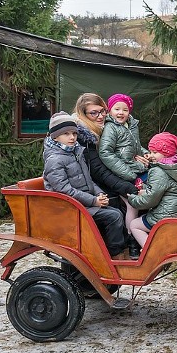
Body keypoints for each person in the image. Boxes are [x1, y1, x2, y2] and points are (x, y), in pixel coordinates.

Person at [42, 112, 126, 257]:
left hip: (82, 203)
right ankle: (113, 255)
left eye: (74, 133)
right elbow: (64, 190)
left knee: (116, 207)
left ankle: (109, 250)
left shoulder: (74, 152)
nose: (72, 137)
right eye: (66, 134)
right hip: (69, 208)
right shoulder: (54, 159)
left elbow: (89, 180)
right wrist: (93, 200)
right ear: (55, 136)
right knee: (114, 216)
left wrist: (99, 194)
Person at [72, 93, 140, 257]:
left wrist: (135, 158)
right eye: (94, 113)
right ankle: (124, 247)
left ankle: (137, 240)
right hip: (92, 185)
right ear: (83, 114)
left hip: (108, 177)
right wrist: (124, 184)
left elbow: (119, 152)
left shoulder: (105, 129)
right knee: (131, 199)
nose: (100, 116)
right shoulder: (84, 136)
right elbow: (97, 169)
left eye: (102, 111)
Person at [98, 93, 149, 257]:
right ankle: (132, 241)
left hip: (133, 168)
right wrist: (128, 173)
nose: (121, 113)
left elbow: (136, 149)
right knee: (132, 204)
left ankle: (143, 231)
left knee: (148, 195)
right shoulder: (111, 127)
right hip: (121, 173)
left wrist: (148, 156)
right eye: (117, 109)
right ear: (110, 110)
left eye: (125, 109)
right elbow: (106, 153)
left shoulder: (131, 125)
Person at [126, 132, 177, 249]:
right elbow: (169, 190)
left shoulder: (159, 171)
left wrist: (133, 199)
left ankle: (153, 252)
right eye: (150, 151)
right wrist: (145, 189)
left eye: (155, 152)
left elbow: (150, 200)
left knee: (135, 225)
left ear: (166, 152)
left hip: (166, 216)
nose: (151, 155)